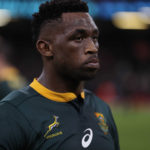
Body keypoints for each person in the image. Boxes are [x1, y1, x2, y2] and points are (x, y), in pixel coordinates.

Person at [0, 0, 120, 149]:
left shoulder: (102, 109)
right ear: (45, 48)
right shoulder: (12, 114)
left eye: (94, 38)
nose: (92, 48)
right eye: (78, 38)